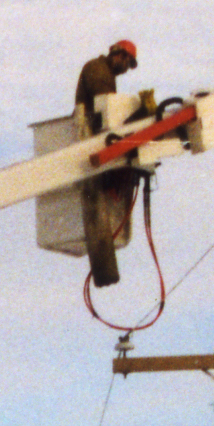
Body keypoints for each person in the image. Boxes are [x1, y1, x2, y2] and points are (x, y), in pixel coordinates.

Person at [70, 38, 142, 286]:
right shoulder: (98, 70)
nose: (125, 69)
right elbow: (105, 107)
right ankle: (104, 271)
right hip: (88, 133)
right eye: (127, 63)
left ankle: (105, 271)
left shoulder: (105, 73)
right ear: (118, 55)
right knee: (95, 198)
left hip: (94, 133)